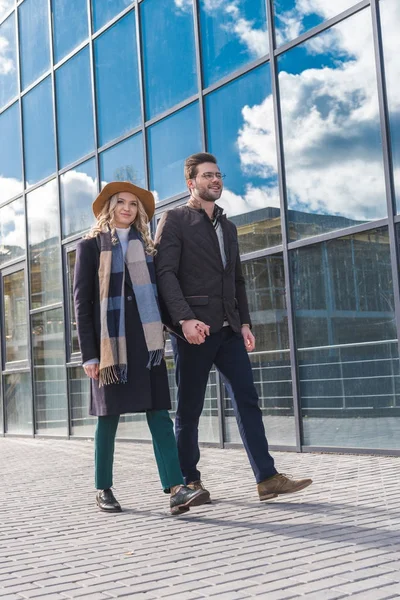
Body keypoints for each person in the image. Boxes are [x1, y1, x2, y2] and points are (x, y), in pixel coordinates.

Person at [154, 153, 312, 502]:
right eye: (207, 175)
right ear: (190, 182)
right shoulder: (174, 219)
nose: (215, 180)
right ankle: (189, 481)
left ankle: (267, 478)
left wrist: (244, 322)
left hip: (228, 331)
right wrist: (183, 319)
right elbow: (164, 274)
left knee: (248, 401)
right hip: (194, 331)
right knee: (190, 408)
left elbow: (236, 278)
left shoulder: (228, 226)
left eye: (218, 175)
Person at [73, 181, 210, 515]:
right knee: (107, 419)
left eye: (134, 204)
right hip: (111, 350)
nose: (128, 208)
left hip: (146, 344)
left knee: (159, 415)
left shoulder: (147, 248)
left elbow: (162, 297)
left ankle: (176, 489)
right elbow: (82, 303)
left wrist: (184, 323)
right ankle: (102, 488)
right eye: (121, 202)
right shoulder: (89, 247)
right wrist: (89, 354)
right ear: (109, 206)